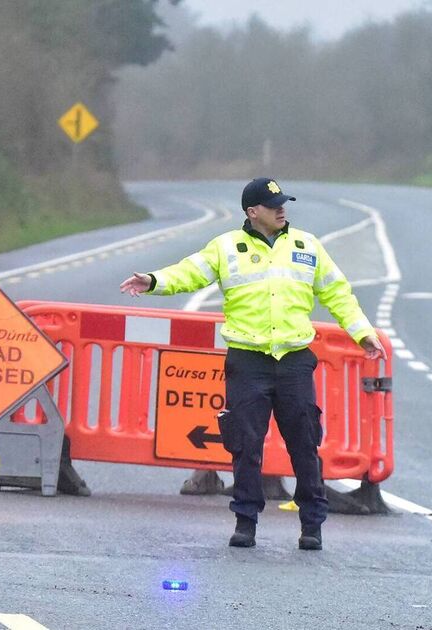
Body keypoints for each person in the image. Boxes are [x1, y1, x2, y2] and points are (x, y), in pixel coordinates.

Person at [120, 177, 384, 550]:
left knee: (305, 444)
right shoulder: (228, 247)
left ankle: (312, 525)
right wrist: (153, 281)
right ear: (252, 211)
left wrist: (362, 332)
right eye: (273, 204)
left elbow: (338, 293)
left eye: (283, 203)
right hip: (248, 360)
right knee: (245, 445)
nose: (282, 209)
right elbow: (190, 271)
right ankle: (245, 522)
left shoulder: (306, 245)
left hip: (293, 360)